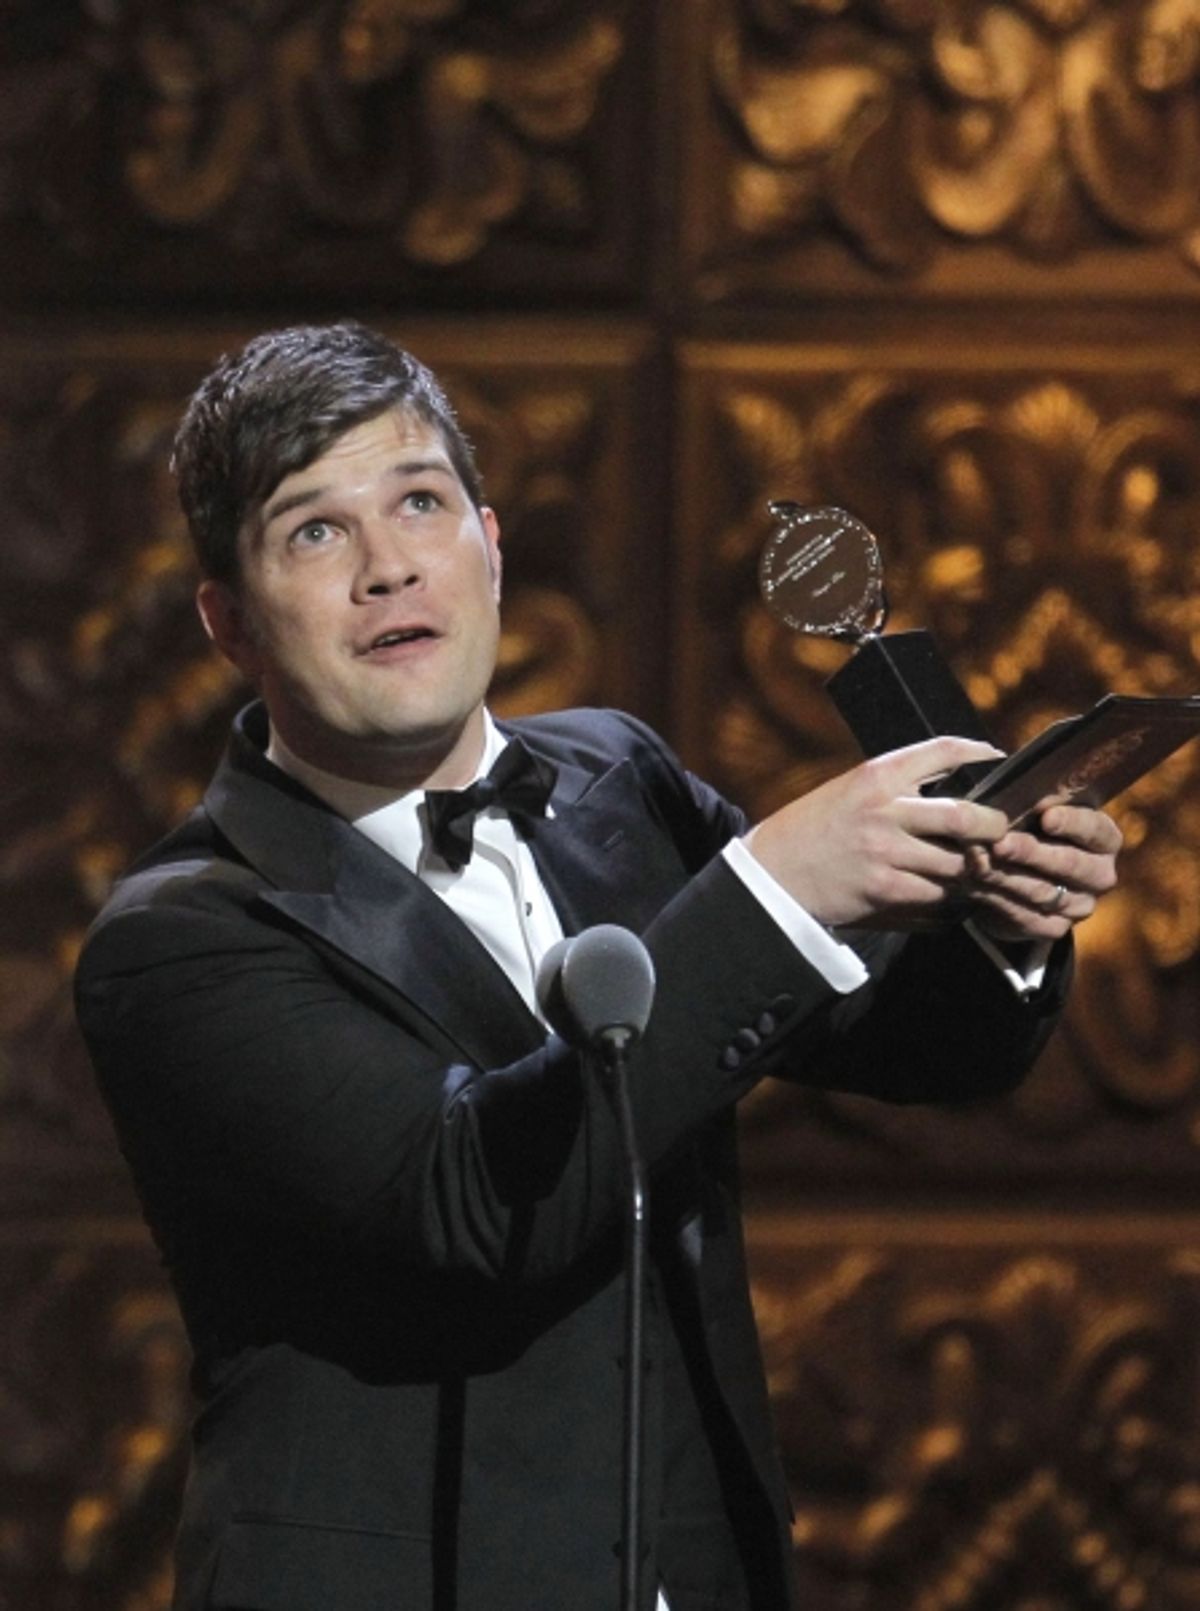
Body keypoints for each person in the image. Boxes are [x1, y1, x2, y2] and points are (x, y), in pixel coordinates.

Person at [74, 322, 1122, 1611]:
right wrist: (774, 888)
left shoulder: (619, 777)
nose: (389, 567)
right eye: (316, 531)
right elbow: (470, 1201)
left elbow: (913, 1044)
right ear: (229, 622)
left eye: (420, 503)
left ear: (491, 545)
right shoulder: (181, 939)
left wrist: (1007, 921)